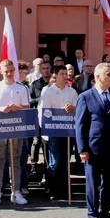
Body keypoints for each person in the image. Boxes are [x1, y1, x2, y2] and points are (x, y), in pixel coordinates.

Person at [76, 62, 110, 218]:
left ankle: (105, 213)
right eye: (109, 75)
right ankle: (93, 214)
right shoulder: (85, 97)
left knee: (108, 182)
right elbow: (81, 125)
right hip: (93, 147)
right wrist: (82, 149)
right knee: (93, 182)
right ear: (97, 77)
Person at [0, 59, 31, 207]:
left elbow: (27, 107)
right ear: (1, 71)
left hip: (16, 128)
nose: (9, 73)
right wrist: (0, 109)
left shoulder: (22, 88)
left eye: (12, 71)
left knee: (16, 161)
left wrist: (17, 109)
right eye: (6, 71)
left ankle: (16, 191)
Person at [38, 65, 78, 200]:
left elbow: (78, 109)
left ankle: (64, 189)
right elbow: (44, 112)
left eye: (66, 73)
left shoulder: (72, 92)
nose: (65, 76)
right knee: (55, 161)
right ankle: (53, 189)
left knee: (65, 160)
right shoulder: (48, 92)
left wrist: (72, 107)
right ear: (55, 75)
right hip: (54, 131)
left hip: (68, 131)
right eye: (62, 73)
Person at [29, 60, 52, 174]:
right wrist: (41, 99)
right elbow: (30, 101)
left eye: (48, 68)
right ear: (40, 70)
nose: (46, 70)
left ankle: (47, 167)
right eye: (44, 68)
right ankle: (34, 164)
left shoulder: (53, 83)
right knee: (36, 141)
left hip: (51, 119)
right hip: (37, 117)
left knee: (47, 143)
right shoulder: (35, 84)